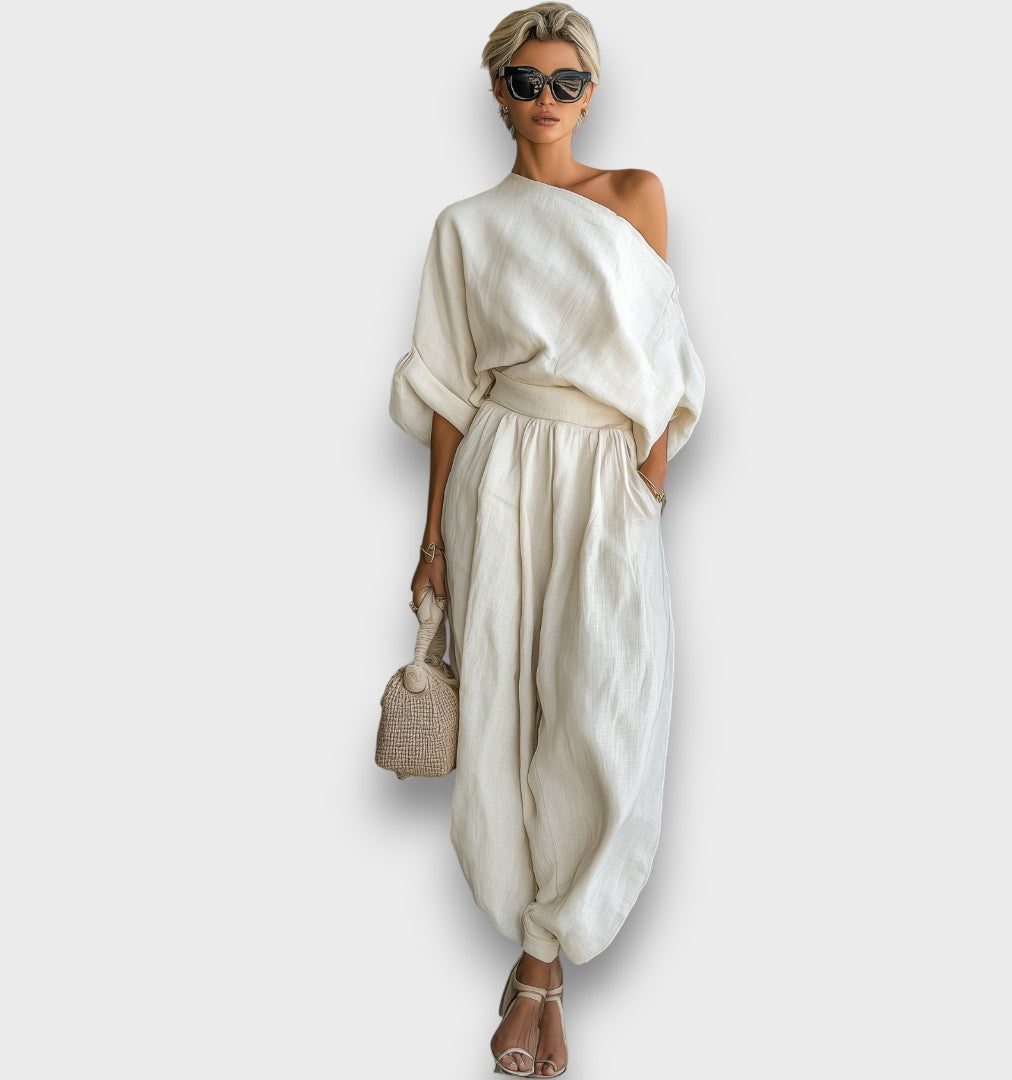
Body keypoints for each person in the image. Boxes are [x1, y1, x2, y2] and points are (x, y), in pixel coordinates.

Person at [388, 4, 706, 1074]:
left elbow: (663, 354)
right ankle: (540, 977)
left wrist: (650, 481)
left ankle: (543, 958)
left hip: (605, 478)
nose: (547, 101)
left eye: (567, 82)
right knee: (505, 709)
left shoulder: (636, 195)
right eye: (526, 82)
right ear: (497, 92)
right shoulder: (465, 227)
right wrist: (432, 537)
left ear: (592, 92)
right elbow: (448, 387)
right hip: (500, 472)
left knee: (602, 708)